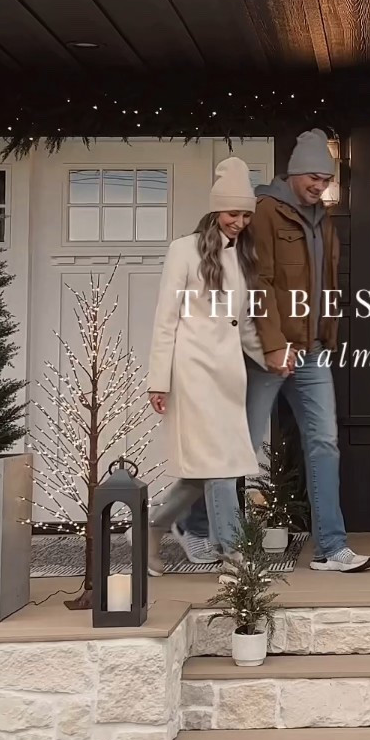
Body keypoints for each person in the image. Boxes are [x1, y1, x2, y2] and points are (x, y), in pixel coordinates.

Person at [181, 130, 370, 575]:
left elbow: (326, 283)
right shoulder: (264, 212)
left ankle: (331, 547)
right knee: (238, 448)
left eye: (326, 178)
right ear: (293, 172)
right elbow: (257, 281)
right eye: (313, 176)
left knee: (324, 442)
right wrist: (271, 345)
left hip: (312, 351)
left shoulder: (323, 219)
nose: (320, 184)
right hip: (265, 351)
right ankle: (210, 534)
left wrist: (327, 334)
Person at [146, 156, 264, 572]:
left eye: (246, 215)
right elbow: (166, 319)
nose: (240, 222)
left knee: (202, 473)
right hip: (192, 374)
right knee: (220, 467)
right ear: (216, 211)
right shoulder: (183, 251)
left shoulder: (241, 257)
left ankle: (149, 529)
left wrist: (268, 359)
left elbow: (244, 323)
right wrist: (157, 381)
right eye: (234, 213)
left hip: (228, 377)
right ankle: (231, 551)